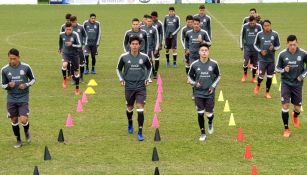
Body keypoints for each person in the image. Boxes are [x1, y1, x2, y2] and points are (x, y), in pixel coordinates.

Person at [116, 36, 152, 141]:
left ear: (139, 45)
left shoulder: (144, 57)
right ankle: (130, 122)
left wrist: (147, 78)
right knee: (130, 107)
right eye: (133, 44)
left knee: (140, 107)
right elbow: (118, 69)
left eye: (137, 44)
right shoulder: (124, 57)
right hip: (129, 86)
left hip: (141, 86)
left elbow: (150, 68)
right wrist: (121, 79)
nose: (135, 46)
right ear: (129, 45)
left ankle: (140, 132)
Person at [1, 48, 35, 148]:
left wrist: (26, 85)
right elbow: (2, 84)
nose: (12, 61)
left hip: (23, 97)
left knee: (24, 120)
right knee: (14, 120)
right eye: (10, 59)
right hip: (11, 98)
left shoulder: (26, 67)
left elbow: (33, 79)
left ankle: (27, 132)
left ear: (18, 58)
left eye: (14, 59)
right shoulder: (4, 70)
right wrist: (8, 85)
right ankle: (18, 140)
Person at [275, 35, 307, 137]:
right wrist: (284, 69)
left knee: (297, 108)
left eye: (294, 44)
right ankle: (286, 128)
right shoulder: (282, 54)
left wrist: (302, 75)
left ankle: (295, 115)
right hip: (286, 83)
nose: (293, 46)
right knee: (285, 106)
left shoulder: (303, 53)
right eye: (290, 45)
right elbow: (276, 68)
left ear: (297, 43)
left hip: (298, 84)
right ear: (287, 44)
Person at [188, 43, 221, 142]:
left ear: (208, 52)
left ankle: (210, 123)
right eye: (202, 50)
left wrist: (213, 86)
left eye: (206, 50)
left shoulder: (214, 64)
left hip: (210, 93)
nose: (204, 52)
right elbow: (189, 77)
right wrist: (194, 84)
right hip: (198, 93)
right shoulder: (194, 65)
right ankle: (203, 133)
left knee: (209, 114)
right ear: (199, 52)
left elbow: (218, 76)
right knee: (200, 113)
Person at [253, 19, 280, 98]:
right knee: (261, 76)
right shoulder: (259, 34)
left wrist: (274, 48)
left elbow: (278, 45)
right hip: (262, 60)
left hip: (271, 60)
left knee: (269, 77)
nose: (267, 27)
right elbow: (255, 45)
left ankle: (267, 92)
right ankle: (258, 85)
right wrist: (261, 51)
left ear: (270, 26)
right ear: (263, 26)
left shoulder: (275, 34)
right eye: (265, 26)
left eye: (268, 25)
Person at [59, 21, 82, 95]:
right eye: (67, 29)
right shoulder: (61, 35)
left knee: (76, 72)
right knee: (64, 65)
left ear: (72, 29)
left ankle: (77, 88)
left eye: (70, 29)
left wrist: (72, 44)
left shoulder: (75, 35)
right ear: (65, 29)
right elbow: (60, 42)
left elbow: (79, 45)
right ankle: (65, 79)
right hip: (66, 54)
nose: (68, 31)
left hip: (75, 55)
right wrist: (60, 49)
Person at [240, 16, 262, 83]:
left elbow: (261, 36)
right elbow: (241, 35)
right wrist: (241, 45)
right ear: (249, 22)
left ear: (255, 21)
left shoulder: (258, 26)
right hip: (247, 47)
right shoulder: (245, 26)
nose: (252, 24)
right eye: (251, 23)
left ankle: (253, 78)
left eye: (253, 23)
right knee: (246, 61)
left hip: (256, 48)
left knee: (255, 64)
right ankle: (245, 75)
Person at [141, 16, 159, 80]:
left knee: (150, 61)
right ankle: (148, 73)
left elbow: (157, 39)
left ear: (152, 22)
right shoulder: (142, 28)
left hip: (150, 49)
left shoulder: (154, 29)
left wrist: (156, 49)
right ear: (146, 21)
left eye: (150, 21)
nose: (149, 22)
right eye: (148, 21)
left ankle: (152, 73)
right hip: (142, 48)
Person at [70, 16, 87, 83]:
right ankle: (73, 79)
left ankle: (81, 77)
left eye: (74, 22)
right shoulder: (69, 28)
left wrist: (84, 45)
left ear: (76, 21)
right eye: (71, 22)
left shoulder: (81, 27)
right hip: (72, 49)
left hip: (80, 48)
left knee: (82, 64)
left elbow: (85, 36)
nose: (73, 23)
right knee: (72, 64)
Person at [180, 15, 194, 80]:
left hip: (195, 49)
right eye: (188, 22)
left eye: (191, 22)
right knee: (187, 63)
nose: (189, 23)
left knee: (195, 63)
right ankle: (188, 78)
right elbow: (182, 39)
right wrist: (185, 49)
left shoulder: (195, 28)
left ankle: (194, 77)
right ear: (186, 22)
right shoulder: (184, 29)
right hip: (187, 49)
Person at [151, 11, 164, 78]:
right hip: (150, 43)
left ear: (157, 17)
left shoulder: (159, 24)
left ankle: (155, 72)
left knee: (156, 57)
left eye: (154, 17)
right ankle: (152, 71)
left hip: (157, 43)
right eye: (152, 17)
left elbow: (162, 34)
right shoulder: (149, 23)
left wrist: (161, 43)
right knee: (150, 58)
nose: (153, 19)